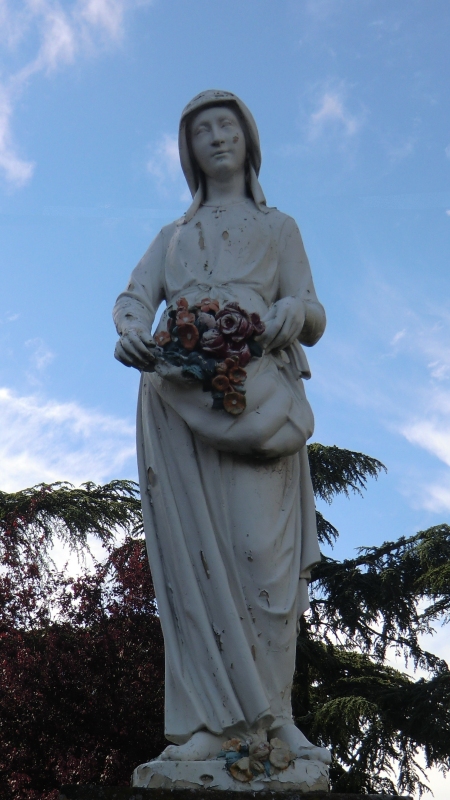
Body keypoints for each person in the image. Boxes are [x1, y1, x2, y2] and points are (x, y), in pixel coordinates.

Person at [113, 90, 328, 764]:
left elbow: (314, 312)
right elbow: (134, 300)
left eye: (225, 125)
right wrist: (128, 332)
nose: (215, 137)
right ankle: (208, 726)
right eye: (201, 130)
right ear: (189, 150)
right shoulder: (171, 238)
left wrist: (291, 312)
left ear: (248, 138)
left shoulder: (279, 228)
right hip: (180, 403)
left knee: (260, 561)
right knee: (193, 570)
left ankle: (276, 720)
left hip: (254, 392)